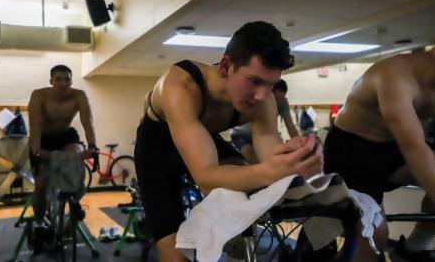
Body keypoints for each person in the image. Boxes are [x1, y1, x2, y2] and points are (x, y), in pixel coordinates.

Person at [134, 21, 323, 262]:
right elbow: (206, 177)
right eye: (254, 81)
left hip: (202, 138)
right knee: (174, 253)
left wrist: (299, 159)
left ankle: (230, 243)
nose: (261, 95)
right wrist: (270, 170)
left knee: (244, 184)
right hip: (156, 148)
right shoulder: (181, 84)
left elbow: (271, 158)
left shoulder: (264, 101)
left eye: (270, 85)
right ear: (226, 66)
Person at [324, 48, 435, 262]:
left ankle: (413, 250)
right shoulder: (394, 76)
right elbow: (414, 148)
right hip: (351, 151)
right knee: (375, 236)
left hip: (393, 148)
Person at [28, 64, 97, 250]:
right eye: (58, 79)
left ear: (71, 81)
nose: (63, 83)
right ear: (51, 81)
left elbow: (87, 122)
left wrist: (91, 146)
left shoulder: (78, 95)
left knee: (76, 156)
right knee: (41, 185)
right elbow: (35, 126)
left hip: (66, 135)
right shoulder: (39, 95)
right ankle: (40, 223)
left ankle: (74, 201)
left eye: (66, 79)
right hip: (43, 137)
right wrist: (36, 151)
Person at [230, 79, 299, 163]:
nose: (278, 102)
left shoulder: (283, 103)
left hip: (262, 134)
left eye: (281, 98)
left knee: (277, 155)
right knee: (251, 155)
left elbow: (290, 125)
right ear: (269, 94)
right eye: (276, 98)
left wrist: (299, 146)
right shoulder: (261, 100)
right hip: (240, 134)